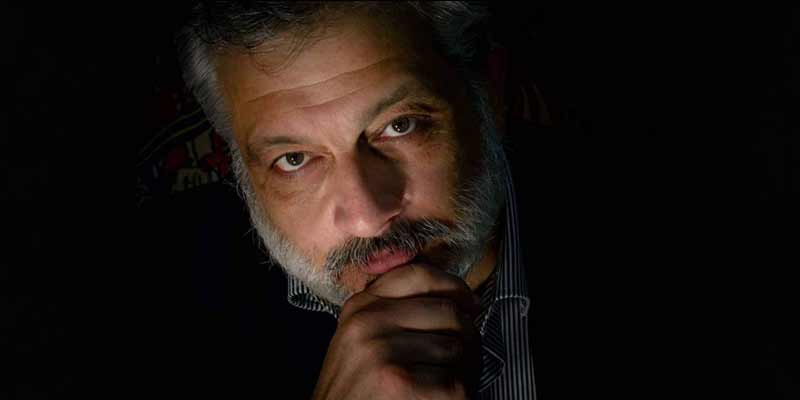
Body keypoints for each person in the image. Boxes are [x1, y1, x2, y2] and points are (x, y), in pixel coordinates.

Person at [174, 1, 536, 399]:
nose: (367, 219)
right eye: (294, 159)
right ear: (239, 165)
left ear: (491, 91)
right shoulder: (173, 305)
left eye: (400, 125)